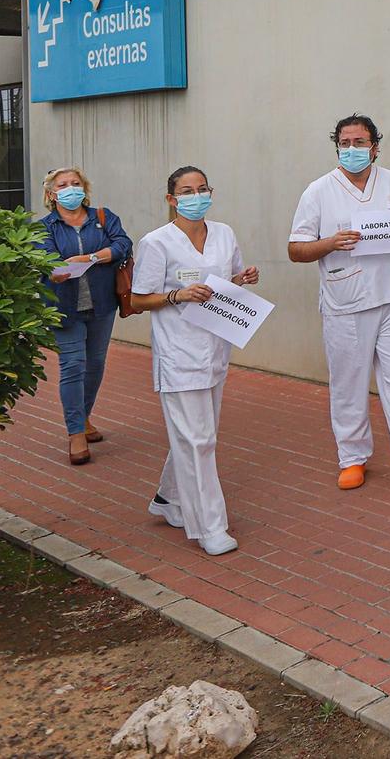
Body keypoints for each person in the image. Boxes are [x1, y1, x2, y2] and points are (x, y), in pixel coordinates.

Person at [288, 114, 390, 491]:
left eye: (359, 143)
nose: (352, 150)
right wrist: (330, 243)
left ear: (374, 147)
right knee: (349, 384)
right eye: (344, 143)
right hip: (346, 302)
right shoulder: (318, 191)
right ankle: (352, 457)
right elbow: (296, 249)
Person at [130, 166, 259, 557]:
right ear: (171, 199)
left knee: (197, 435)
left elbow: (226, 279)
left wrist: (242, 279)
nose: (196, 196)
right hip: (179, 352)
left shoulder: (224, 233)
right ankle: (210, 526)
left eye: (202, 189)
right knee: (200, 440)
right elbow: (137, 300)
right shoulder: (156, 243)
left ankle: (168, 499)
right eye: (187, 191)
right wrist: (178, 296)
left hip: (217, 348)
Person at [35, 167, 133, 466]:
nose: (70, 189)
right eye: (63, 185)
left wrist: (91, 258)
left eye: (75, 183)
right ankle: (75, 432)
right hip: (64, 306)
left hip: (102, 304)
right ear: (52, 194)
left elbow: (122, 244)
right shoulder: (44, 227)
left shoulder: (103, 218)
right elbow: (46, 259)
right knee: (73, 366)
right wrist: (57, 270)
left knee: (95, 365)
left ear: (85, 188)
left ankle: (85, 416)